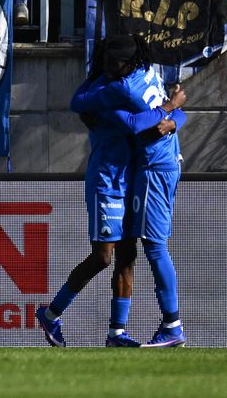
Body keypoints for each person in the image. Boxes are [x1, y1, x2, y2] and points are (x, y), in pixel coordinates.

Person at [36, 34, 185, 348]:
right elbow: (131, 122)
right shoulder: (113, 91)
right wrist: (171, 109)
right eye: (107, 61)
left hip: (131, 177)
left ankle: (117, 333)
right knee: (104, 257)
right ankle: (50, 314)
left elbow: (163, 115)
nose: (109, 66)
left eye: (114, 61)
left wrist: (174, 118)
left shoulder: (140, 76)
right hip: (107, 181)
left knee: (127, 255)